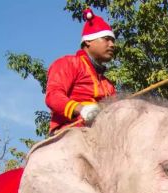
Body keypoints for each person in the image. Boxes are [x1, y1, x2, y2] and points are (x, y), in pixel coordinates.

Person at [44, 7, 117, 135]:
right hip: (68, 135)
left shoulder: (108, 84)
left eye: (113, 41)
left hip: (101, 137)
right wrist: (81, 109)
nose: (112, 44)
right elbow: (53, 96)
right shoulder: (68, 63)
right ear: (88, 41)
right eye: (106, 39)